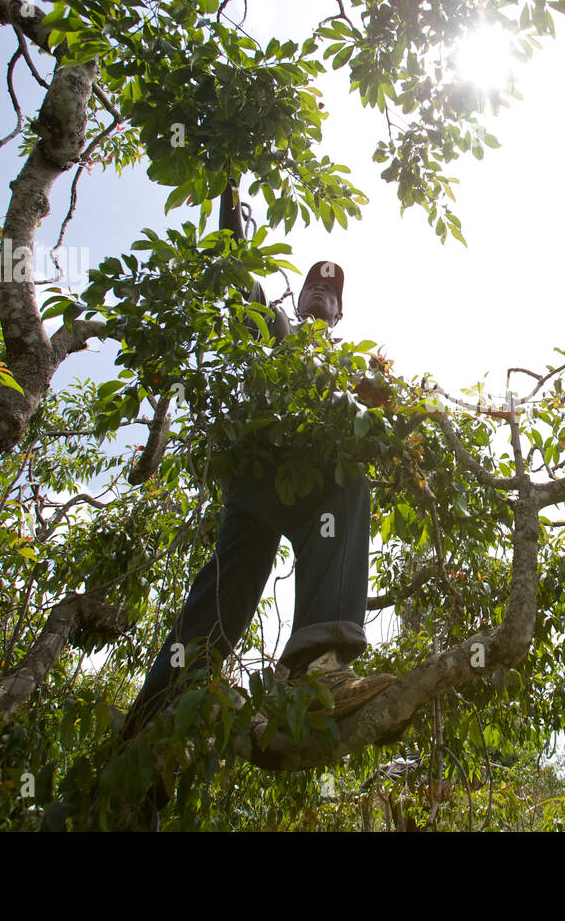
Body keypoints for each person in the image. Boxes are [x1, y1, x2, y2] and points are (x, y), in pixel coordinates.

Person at [119, 188, 395, 748]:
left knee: (217, 609)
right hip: (261, 465)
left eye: (331, 290)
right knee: (345, 495)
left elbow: (379, 422)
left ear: (341, 313)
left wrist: (381, 394)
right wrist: (230, 203)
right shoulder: (276, 328)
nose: (320, 291)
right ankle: (317, 666)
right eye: (313, 285)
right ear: (299, 301)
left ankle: (139, 746)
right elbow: (240, 284)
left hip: (268, 498)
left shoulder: (345, 371)